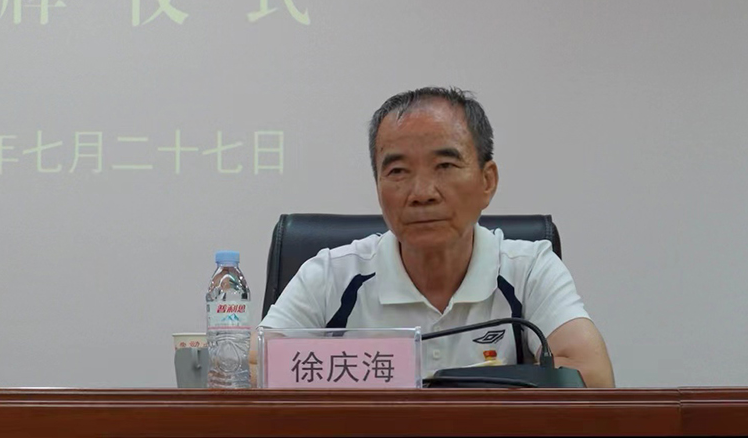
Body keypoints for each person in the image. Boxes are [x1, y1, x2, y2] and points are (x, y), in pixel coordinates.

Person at [258, 87, 614, 387]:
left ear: (487, 181)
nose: (422, 193)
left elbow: (591, 379)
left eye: (444, 166)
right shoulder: (330, 275)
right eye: (398, 171)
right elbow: (254, 370)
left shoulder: (529, 269)